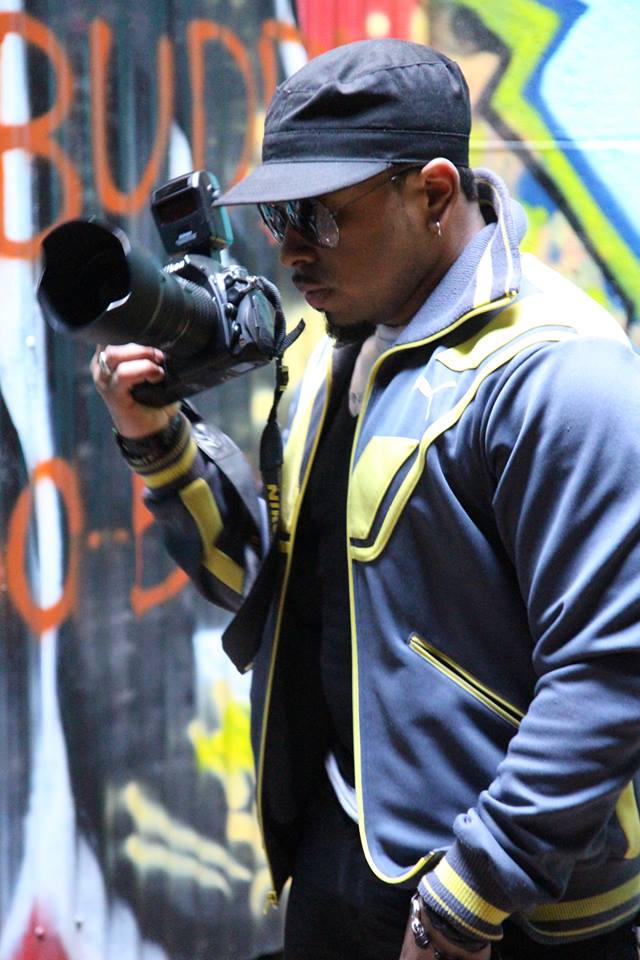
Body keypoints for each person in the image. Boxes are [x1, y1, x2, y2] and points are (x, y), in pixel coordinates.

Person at [91, 39, 640, 960]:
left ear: (433, 193)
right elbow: (268, 588)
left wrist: (468, 898)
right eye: (279, 218)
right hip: (341, 854)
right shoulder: (336, 348)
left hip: (509, 911)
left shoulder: (556, 372)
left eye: (321, 216)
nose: (292, 250)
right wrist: (159, 443)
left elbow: (610, 670)